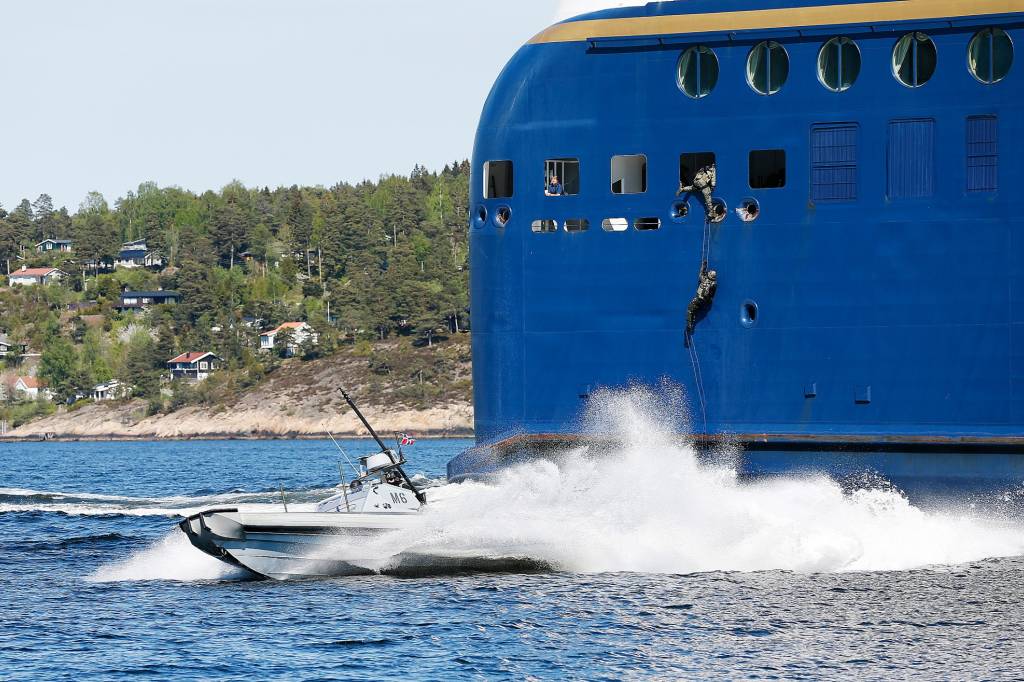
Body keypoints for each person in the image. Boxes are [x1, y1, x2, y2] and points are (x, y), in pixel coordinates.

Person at [686, 261, 717, 336]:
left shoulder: (705, 280)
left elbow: (701, 274)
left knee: (690, 309)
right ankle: (693, 319)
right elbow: (712, 294)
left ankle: (689, 324)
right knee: (696, 309)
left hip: (699, 298)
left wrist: (703, 266)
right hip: (704, 301)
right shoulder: (713, 284)